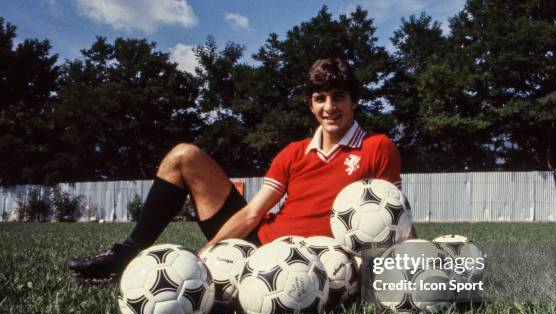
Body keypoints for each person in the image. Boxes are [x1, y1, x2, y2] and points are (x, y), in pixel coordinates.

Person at [68, 56, 416, 282]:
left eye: (338, 97)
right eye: (320, 98)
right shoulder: (294, 153)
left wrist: (419, 263)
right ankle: (127, 253)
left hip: (309, 262)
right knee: (183, 155)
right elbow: (253, 211)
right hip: (257, 243)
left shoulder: (377, 147)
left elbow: (394, 218)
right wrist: (208, 252)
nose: (330, 107)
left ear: (354, 101)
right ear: (310, 105)